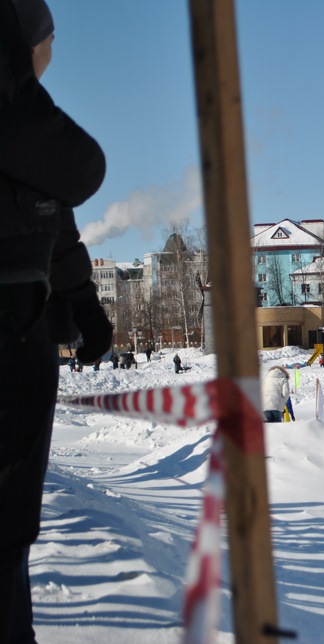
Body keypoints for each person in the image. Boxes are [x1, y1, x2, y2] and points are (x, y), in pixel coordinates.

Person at [1, 2, 111, 639]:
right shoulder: (16, 115)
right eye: (44, 50)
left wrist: (85, 305)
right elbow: (79, 168)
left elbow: (58, 221)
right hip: (12, 340)